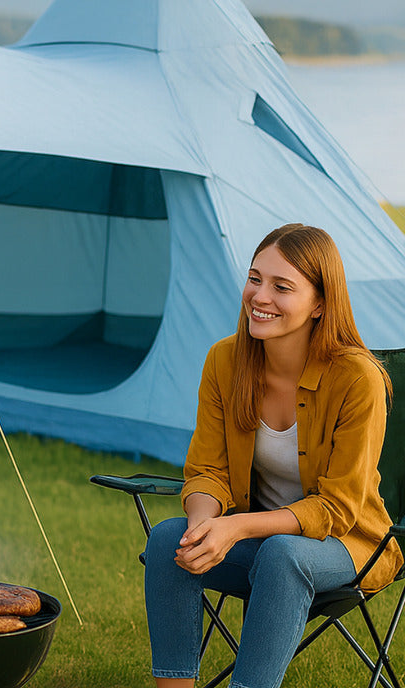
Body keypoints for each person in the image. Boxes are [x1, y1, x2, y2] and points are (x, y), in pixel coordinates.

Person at [143, 223, 403, 688]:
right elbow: (207, 471)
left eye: (282, 287)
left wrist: (237, 526)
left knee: (284, 555)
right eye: (255, 278)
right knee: (170, 540)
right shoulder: (224, 361)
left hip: (350, 546)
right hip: (262, 543)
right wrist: (204, 523)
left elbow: (337, 508)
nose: (260, 296)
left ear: (320, 303)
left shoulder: (357, 378)